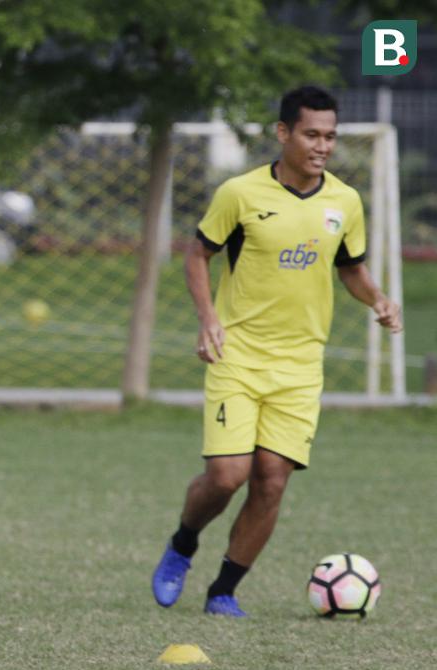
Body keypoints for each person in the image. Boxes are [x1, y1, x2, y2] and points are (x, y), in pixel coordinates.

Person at [150, 86, 402, 616]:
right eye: (312, 134)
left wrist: (377, 299)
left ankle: (223, 591)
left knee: (271, 480)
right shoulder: (239, 194)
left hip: (301, 364)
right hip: (237, 354)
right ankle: (182, 544)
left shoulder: (345, 202)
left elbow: (351, 269)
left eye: (330, 136)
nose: (323, 145)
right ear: (284, 133)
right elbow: (197, 257)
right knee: (227, 475)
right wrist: (208, 318)